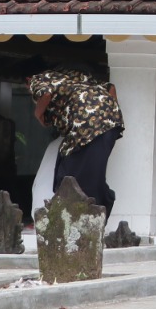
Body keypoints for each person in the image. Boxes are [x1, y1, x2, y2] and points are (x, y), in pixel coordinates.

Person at [26, 62, 122, 213]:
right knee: (93, 172)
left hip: (83, 127)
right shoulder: (86, 81)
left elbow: (45, 94)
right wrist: (105, 112)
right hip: (110, 125)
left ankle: (72, 211)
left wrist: (38, 115)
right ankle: (100, 204)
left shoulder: (40, 79)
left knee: (66, 174)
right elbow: (111, 89)